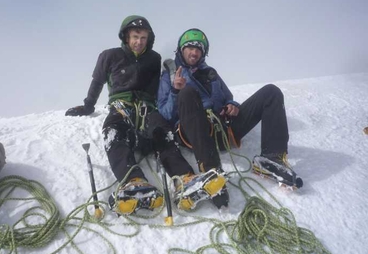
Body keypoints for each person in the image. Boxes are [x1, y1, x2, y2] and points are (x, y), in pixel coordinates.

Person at [65, 16, 225, 215]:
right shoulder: (109, 55)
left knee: (162, 132)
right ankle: (133, 180)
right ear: (126, 37)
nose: (139, 41)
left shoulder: (154, 59)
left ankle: (185, 179)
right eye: (135, 36)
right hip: (122, 105)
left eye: (143, 37)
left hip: (148, 108)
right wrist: (88, 106)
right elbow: (97, 83)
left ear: (149, 39)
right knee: (114, 130)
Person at [157, 28, 303, 198]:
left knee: (271, 92)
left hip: (224, 128)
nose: (194, 52)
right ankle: (210, 169)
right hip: (194, 131)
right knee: (187, 93)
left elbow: (228, 97)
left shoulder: (211, 74)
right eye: (190, 48)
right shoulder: (170, 76)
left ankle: (272, 158)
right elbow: (165, 114)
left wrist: (232, 105)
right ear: (181, 50)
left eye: (199, 49)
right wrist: (175, 91)